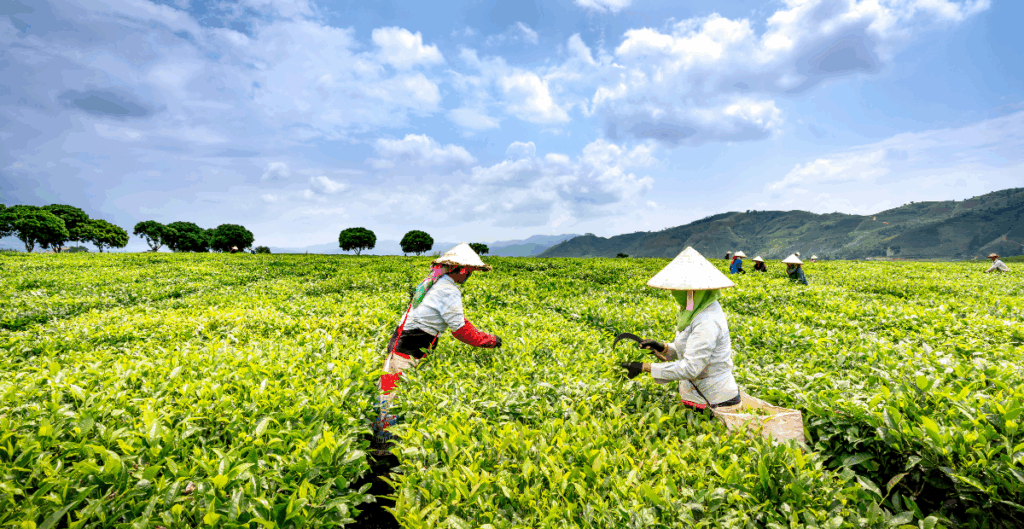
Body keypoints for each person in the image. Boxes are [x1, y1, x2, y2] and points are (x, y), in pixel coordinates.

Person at [372, 243, 502, 452]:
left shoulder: (434, 283)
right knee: (390, 400)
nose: (468, 277)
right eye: (468, 273)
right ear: (460, 270)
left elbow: (456, 319)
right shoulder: (448, 290)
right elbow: (460, 330)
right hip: (405, 350)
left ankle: (387, 447)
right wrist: (489, 340)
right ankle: (382, 452)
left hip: (405, 347)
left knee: (394, 396)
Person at [619, 247, 742, 412]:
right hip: (696, 395)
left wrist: (645, 367)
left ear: (690, 291)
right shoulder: (693, 310)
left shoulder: (707, 320)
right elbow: (691, 349)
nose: (674, 293)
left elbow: (692, 367)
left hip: (715, 401)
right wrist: (662, 347)